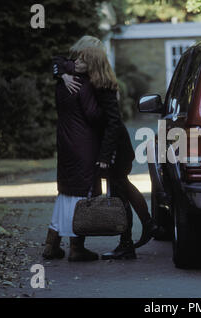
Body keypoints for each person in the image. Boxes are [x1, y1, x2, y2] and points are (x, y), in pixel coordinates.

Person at [51, 36, 158, 260]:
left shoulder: (104, 85)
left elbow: (112, 124)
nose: (76, 63)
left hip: (115, 147)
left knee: (120, 190)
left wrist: (105, 155)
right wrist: (62, 73)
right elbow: (58, 60)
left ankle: (133, 237)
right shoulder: (88, 77)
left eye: (82, 60)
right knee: (122, 188)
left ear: (92, 61)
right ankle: (144, 228)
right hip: (108, 147)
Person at [42, 38, 104, 262]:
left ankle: (52, 243)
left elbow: (57, 62)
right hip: (83, 142)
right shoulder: (83, 82)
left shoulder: (63, 79)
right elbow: (93, 115)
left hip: (66, 139)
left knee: (67, 191)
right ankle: (77, 247)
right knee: (81, 191)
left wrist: (63, 73)